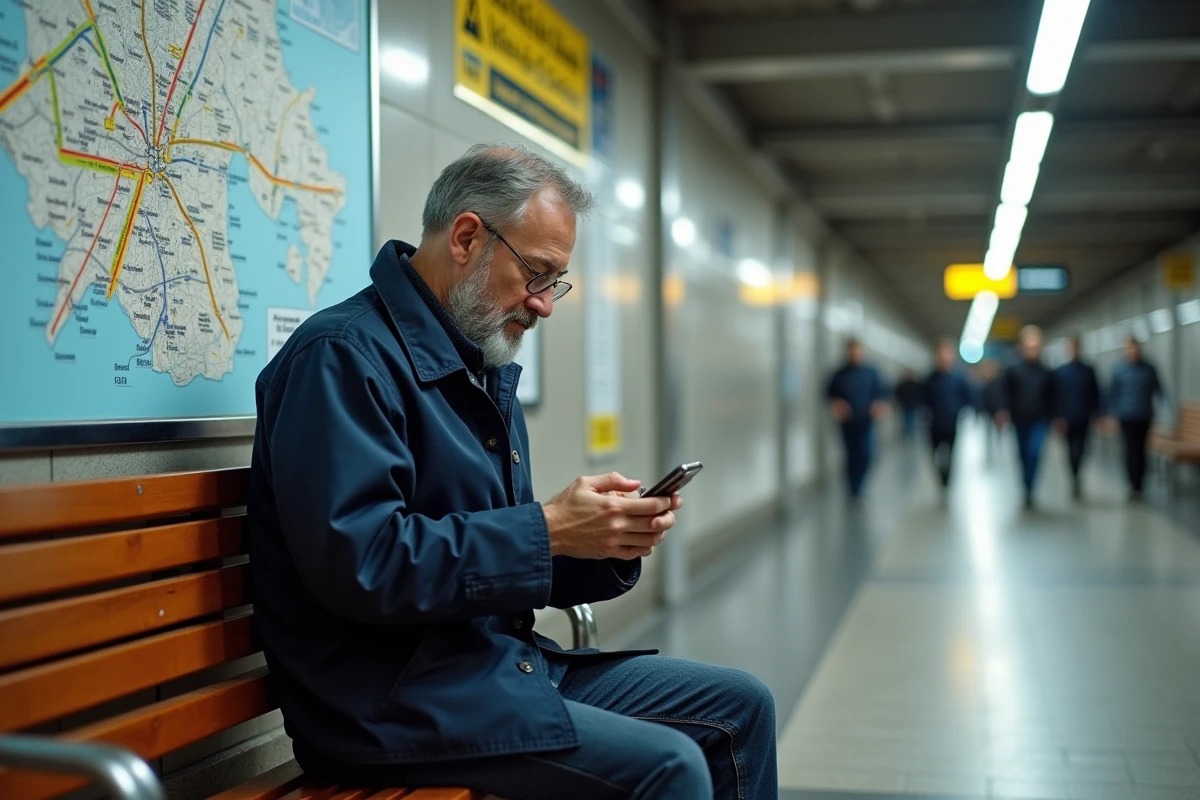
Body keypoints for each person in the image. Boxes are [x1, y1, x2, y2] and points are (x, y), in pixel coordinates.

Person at [246, 145, 776, 800]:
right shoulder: (342, 358)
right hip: (389, 705)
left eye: (555, 281)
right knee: (669, 767)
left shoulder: (480, 365)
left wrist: (601, 540)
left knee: (741, 707)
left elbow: (494, 558)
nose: (544, 304)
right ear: (467, 237)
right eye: (537, 274)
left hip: (491, 670)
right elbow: (363, 563)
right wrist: (548, 529)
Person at [997, 325, 1057, 509]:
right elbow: (1004, 393)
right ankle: (1026, 487)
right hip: (1019, 419)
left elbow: (1053, 396)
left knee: (1034, 452)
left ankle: (1030, 487)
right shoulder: (1013, 370)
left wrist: (1056, 417)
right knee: (1023, 454)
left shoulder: (1046, 371)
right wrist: (1003, 411)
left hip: (1040, 419)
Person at [826, 338, 889, 499]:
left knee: (866, 453)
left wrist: (879, 405)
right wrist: (836, 404)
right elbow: (829, 394)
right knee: (850, 454)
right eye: (852, 351)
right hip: (847, 422)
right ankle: (853, 488)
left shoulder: (871, 372)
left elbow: (882, 392)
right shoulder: (839, 373)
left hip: (866, 420)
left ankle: (860, 483)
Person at [1105, 337, 1165, 501]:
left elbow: (1159, 389)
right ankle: (1133, 484)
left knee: (1142, 451)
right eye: (1128, 348)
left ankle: (1140, 484)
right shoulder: (1119, 369)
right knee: (1130, 451)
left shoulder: (1148, 368)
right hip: (1126, 416)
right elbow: (1112, 393)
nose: (1132, 351)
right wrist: (1110, 414)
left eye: (1134, 348)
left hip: (1144, 415)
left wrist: (1165, 411)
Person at [922, 339, 975, 499]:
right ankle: (940, 478)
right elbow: (923, 397)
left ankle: (947, 482)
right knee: (935, 455)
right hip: (934, 423)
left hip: (952, 422)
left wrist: (964, 410)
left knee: (950, 455)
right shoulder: (930, 378)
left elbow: (968, 396)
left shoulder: (959, 377)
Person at [1052, 335, 1102, 500]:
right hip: (1066, 419)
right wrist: (1058, 416)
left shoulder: (1088, 370)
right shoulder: (1060, 372)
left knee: (1082, 449)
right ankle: (1074, 477)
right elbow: (1056, 397)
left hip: (1084, 417)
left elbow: (1096, 394)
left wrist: (1098, 414)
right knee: (1070, 451)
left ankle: (1078, 475)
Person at [980, 360, 1006, 463]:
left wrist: (1000, 410)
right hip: (988, 412)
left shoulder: (998, 383)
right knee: (988, 431)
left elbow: (1000, 398)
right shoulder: (985, 383)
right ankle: (991, 449)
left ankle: (999, 447)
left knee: (998, 431)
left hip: (996, 412)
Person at [894, 369, 922, 441]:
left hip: (911, 405)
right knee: (908, 420)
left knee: (910, 421)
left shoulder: (914, 385)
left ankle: (909, 434)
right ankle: (907, 434)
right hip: (906, 406)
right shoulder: (905, 385)